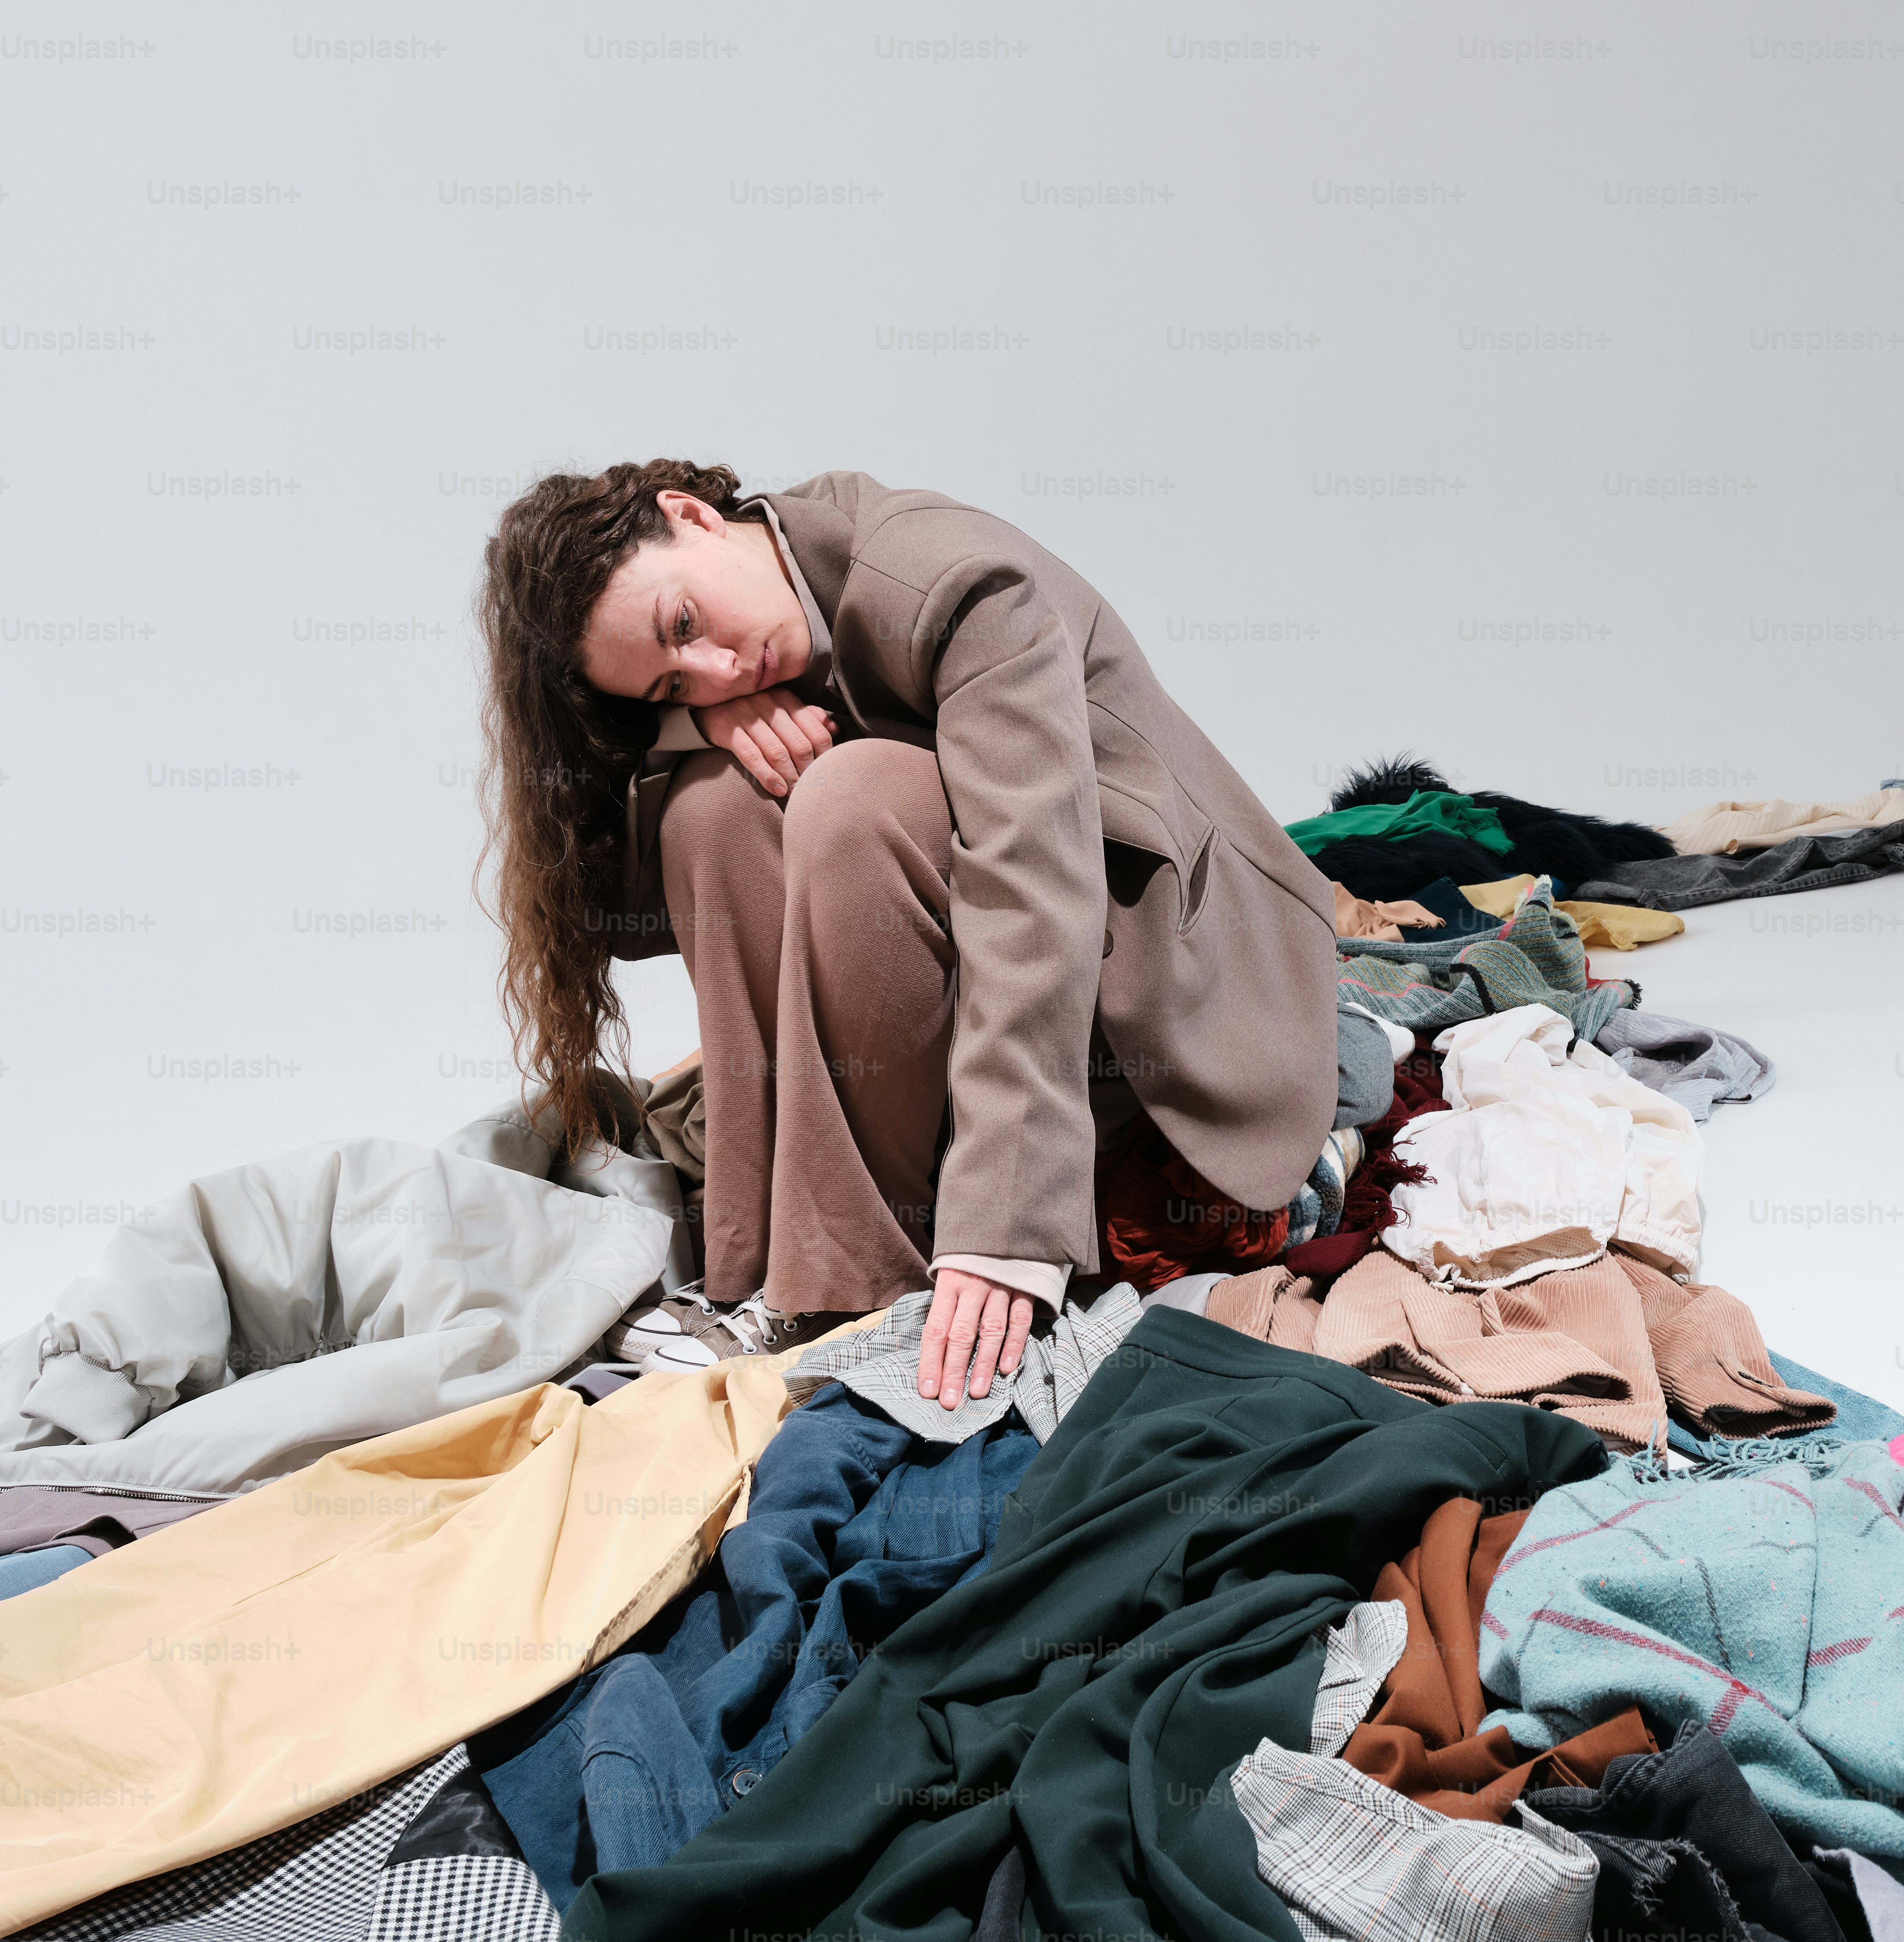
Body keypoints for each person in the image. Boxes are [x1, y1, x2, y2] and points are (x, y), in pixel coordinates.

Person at [475, 462, 1339, 1406]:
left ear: (692, 516)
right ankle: (771, 1270)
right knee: (708, 811)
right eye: (673, 678)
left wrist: (1006, 1222)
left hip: (1160, 974)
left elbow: (1031, 886)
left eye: (684, 625)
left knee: (852, 802)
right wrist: (697, 724)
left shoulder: (951, 579)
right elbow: (617, 902)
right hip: (984, 990)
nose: (717, 667)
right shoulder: (745, 644)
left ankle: (848, 1293)